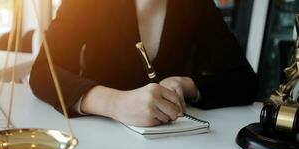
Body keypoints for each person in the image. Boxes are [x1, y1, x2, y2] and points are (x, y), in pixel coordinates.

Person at [30, 0, 258, 127]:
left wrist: (185, 84)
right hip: (97, 132)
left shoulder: (196, 4)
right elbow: (42, 71)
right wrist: (114, 103)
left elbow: (245, 81)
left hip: (174, 144)